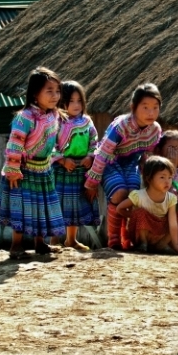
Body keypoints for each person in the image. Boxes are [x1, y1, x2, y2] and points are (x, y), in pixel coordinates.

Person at [0, 67, 65, 259]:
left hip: (43, 169)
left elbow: (51, 144)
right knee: (22, 208)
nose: (55, 95)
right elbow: (14, 143)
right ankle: (16, 246)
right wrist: (13, 169)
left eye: (57, 91)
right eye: (49, 90)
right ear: (34, 93)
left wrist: (55, 159)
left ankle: (40, 244)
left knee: (40, 207)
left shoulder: (53, 116)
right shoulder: (25, 117)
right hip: (23, 171)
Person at [85, 83, 162, 250]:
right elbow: (103, 153)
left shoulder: (155, 131)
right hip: (110, 162)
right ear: (133, 107)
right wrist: (91, 183)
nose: (151, 113)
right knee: (120, 192)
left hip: (131, 164)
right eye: (145, 107)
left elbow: (146, 157)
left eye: (155, 108)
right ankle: (113, 240)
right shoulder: (121, 125)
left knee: (132, 196)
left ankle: (126, 238)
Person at [51, 81, 100, 250]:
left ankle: (71, 239)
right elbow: (50, 145)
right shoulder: (56, 122)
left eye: (79, 101)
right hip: (62, 169)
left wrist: (89, 156)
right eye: (71, 101)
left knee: (75, 205)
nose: (76, 105)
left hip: (81, 169)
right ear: (62, 102)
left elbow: (94, 141)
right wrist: (63, 160)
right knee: (58, 204)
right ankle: (54, 240)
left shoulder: (87, 122)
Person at [120, 156, 178, 254]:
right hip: (143, 233)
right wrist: (135, 216)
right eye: (162, 177)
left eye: (169, 177)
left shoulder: (171, 198)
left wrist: (176, 245)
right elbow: (120, 209)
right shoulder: (138, 196)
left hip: (160, 233)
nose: (167, 181)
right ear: (149, 178)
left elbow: (173, 223)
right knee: (140, 212)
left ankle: (163, 245)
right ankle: (142, 244)